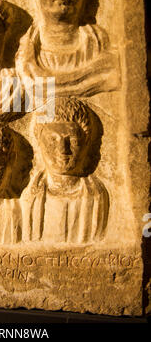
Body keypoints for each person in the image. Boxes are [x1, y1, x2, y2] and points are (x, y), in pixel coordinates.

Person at [21, 97, 109, 244]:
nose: (63, 150)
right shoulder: (28, 197)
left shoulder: (97, 197)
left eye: (73, 141)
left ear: (86, 143)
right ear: (39, 142)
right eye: (53, 140)